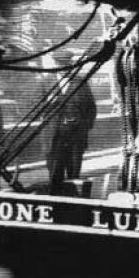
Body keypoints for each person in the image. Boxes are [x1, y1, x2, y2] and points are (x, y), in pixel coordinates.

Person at [48, 49, 97, 194]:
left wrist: (84, 127)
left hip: (76, 137)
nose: (65, 68)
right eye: (61, 64)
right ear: (56, 64)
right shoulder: (46, 82)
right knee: (55, 175)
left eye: (67, 64)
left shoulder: (80, 82)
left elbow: (91, 107)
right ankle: (54, 204)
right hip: (55, 136)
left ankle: (73, 205)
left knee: (74, 176)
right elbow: (31, 103)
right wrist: (48, 101)